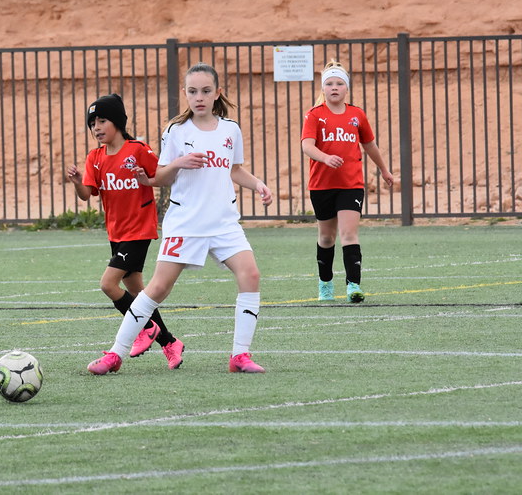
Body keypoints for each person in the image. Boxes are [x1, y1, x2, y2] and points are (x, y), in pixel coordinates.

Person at [87, 62, 272, 376]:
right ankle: (115, 354)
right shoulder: (176, 131)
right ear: (186, 94)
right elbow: (158, 177)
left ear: (217, 94)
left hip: (224, 222)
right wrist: (180, 163)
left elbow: (235, 169)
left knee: (250, 276)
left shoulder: (230, 129)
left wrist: (257, 184)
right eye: (192, 91)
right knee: (157, 288)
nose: (198, 97)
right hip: (186, 222)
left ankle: (240, 356)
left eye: (205, 91)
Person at [66, 94, 184, 369]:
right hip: (116, 234)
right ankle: (169, 342)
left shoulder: (138, 150)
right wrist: (75, 181)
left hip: (139, 231)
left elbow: (163, 175)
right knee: (141, 295)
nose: (96, 127)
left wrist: (149, 180)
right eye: (92, 122)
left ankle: (143, 329)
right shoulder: (94, 158)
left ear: (117, 121)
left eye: (102, 120)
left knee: (108, 284)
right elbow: (87, 194)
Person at [300, 59, 396, 303]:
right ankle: (325, 284)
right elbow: (307, 146)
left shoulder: (357, 115)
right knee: (326, 238)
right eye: (329, 83)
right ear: (323, 88)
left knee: (349, 234)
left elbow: (370, 145)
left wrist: (384, 170)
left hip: (351, 184)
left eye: (339, 83)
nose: (334, 87)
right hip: (321, 185)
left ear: (347, 88)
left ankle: (353, 285)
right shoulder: (314, 116)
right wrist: (325, 158)